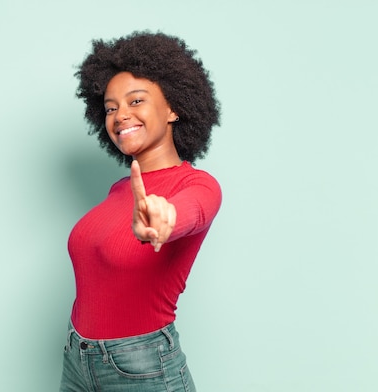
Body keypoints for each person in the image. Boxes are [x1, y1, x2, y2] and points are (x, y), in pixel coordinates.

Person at [60, 31, 222, 392]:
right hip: (77, 357)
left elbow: (190, 211)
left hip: (140, 367)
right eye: (111, 107)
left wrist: (166, 217)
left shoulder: (197, 185)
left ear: (173, 108)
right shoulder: (119, 190)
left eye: (136, 101)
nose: (121, 115)